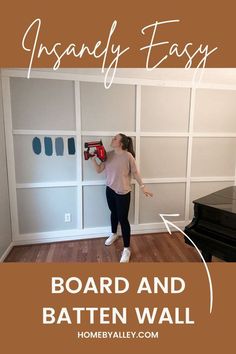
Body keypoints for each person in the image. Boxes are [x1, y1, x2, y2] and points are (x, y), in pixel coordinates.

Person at [92, 133, 153, 263]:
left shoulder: (128, 156)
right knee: (113, 213)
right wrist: (92, 158)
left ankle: (126, 249)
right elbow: (98, 170)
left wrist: (143, 187)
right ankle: (114, 234)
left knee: (123, 219)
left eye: (115, 138)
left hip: (123, 192)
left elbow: (135, 173)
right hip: (110, 190)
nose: (112, 140)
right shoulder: (108, 154)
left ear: (121, 143)